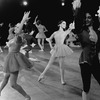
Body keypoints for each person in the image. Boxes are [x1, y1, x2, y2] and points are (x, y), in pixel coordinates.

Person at [0, 11, 32, 100]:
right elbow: (11, 44)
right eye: (16, 27)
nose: (16, 28)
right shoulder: (15, 37)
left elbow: (18, 33)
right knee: (6, 77)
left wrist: (23, 20)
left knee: (13, 84)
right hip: (10, 58)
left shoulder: (19, 37)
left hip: (14, 60)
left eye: (18, 27)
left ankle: (27, 96)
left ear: (21, 28)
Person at [38, 20, 75, 85]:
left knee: (61, 65)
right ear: (59, 24)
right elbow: (49, 39)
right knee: (49, 63)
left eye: (65, 23)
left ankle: (62, 80)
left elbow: (70, 29)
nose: (64, 24)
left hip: (62, 49)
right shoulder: (55, 33)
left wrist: (71, 26)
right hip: (55, 48)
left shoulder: (65, 32)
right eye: (63, 23)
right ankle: (42, 74)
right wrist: (51, 47)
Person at [78, 13, 100, 100]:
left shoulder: (97, 32)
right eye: (85, 18)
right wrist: (76, 10)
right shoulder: (81, 31)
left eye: (89, 17)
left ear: (93, 19)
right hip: (85, 62)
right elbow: (77, 22)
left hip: (95, 61)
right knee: (86, 87)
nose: (87, 19)